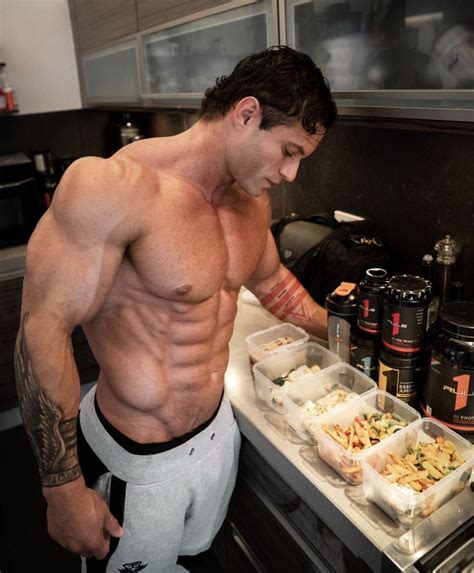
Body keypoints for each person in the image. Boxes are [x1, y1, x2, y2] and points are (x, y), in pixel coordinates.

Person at [14, 45, 336, 572]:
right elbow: (42, 331)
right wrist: (62, 489)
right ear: (247, 113)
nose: (292, 173)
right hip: (136, 459)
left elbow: (272, 281)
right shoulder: (114, 188)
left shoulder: (251, 198)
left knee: (199, 562)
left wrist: (353, 335)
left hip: (216, 437)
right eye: (288, 151)